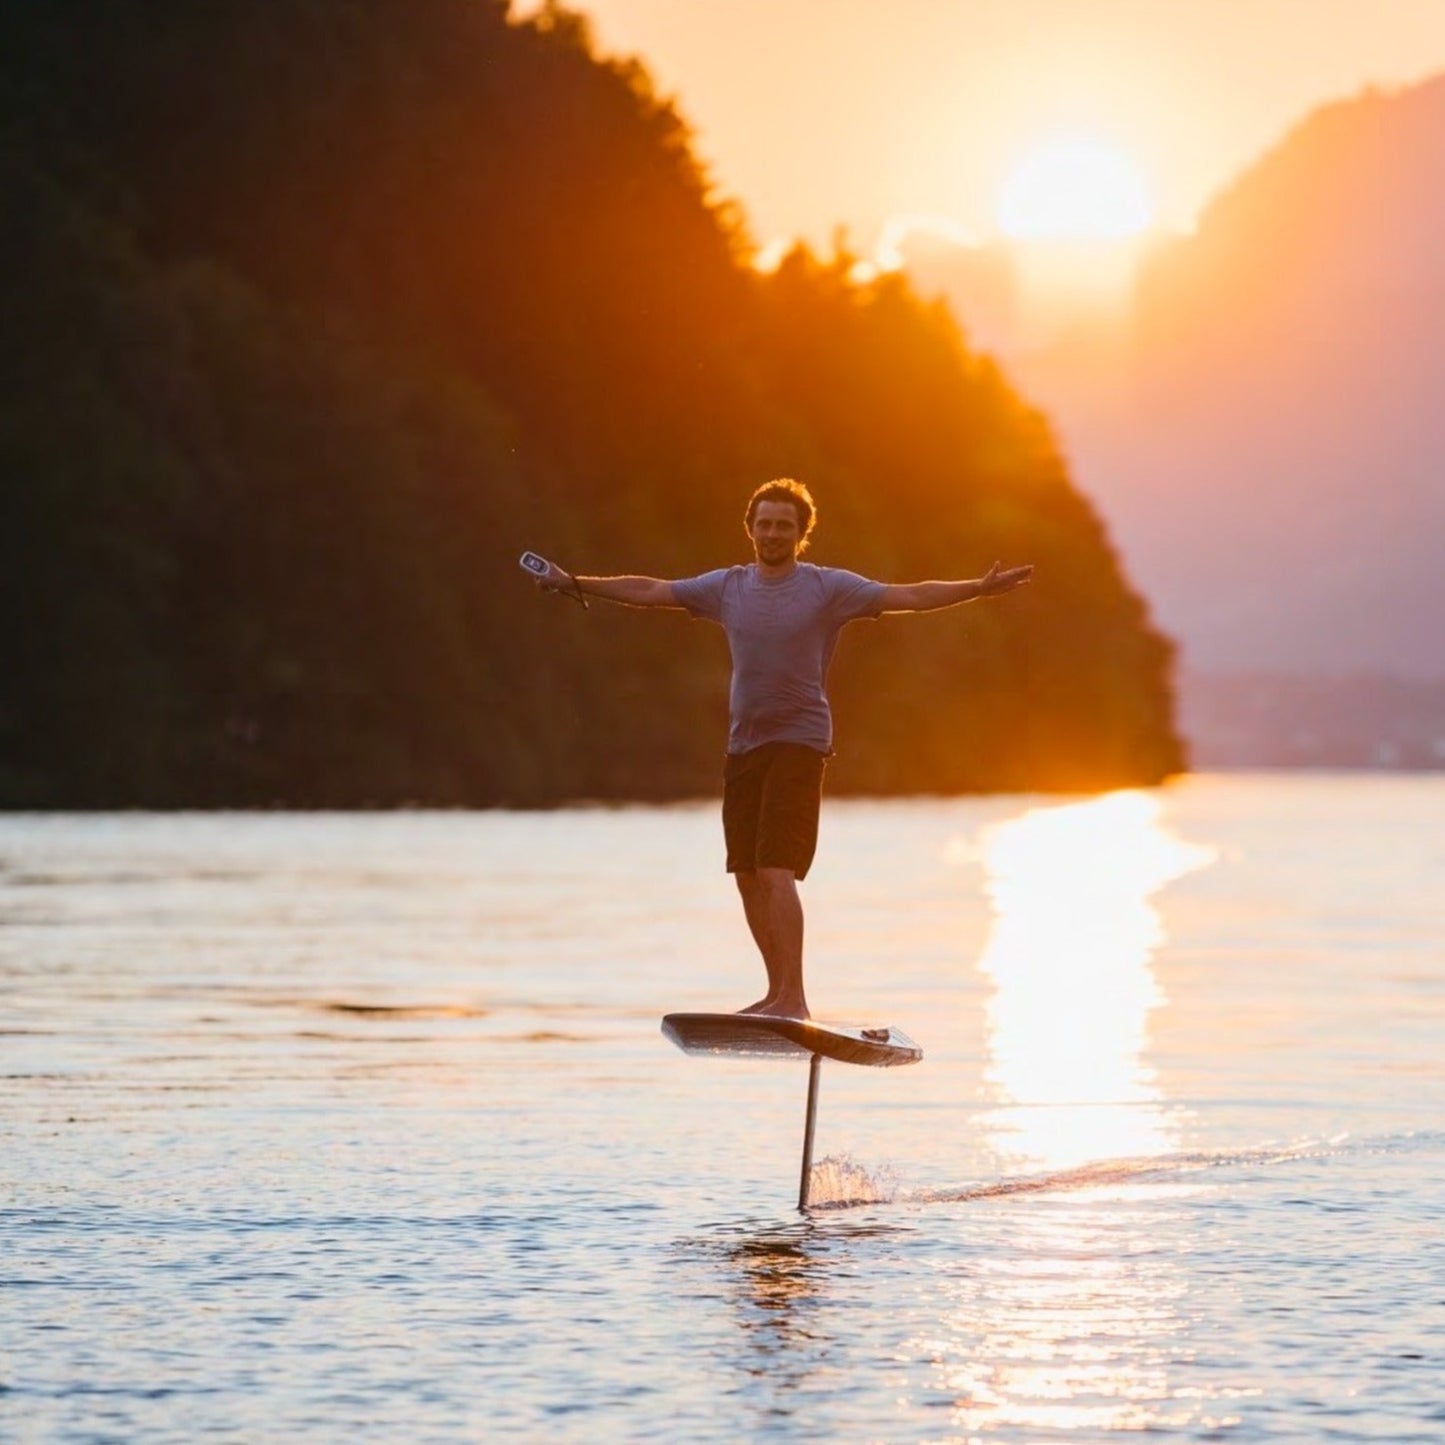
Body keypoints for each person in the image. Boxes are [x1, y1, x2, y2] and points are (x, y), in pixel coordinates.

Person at [530, 478, 1032, 1020]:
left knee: (775, 870)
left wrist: (977, 589)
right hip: (743, 744)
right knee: (746, 875)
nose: (772, 533)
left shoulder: (828, 588)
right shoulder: (727, 588)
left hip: (800, 741)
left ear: (802, 534)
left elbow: (908, 595)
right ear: (750, 529)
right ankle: (775, 994)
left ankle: (794, 998)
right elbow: (652, 589)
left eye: (784, 526)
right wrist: (575, 582)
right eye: (764, 524)